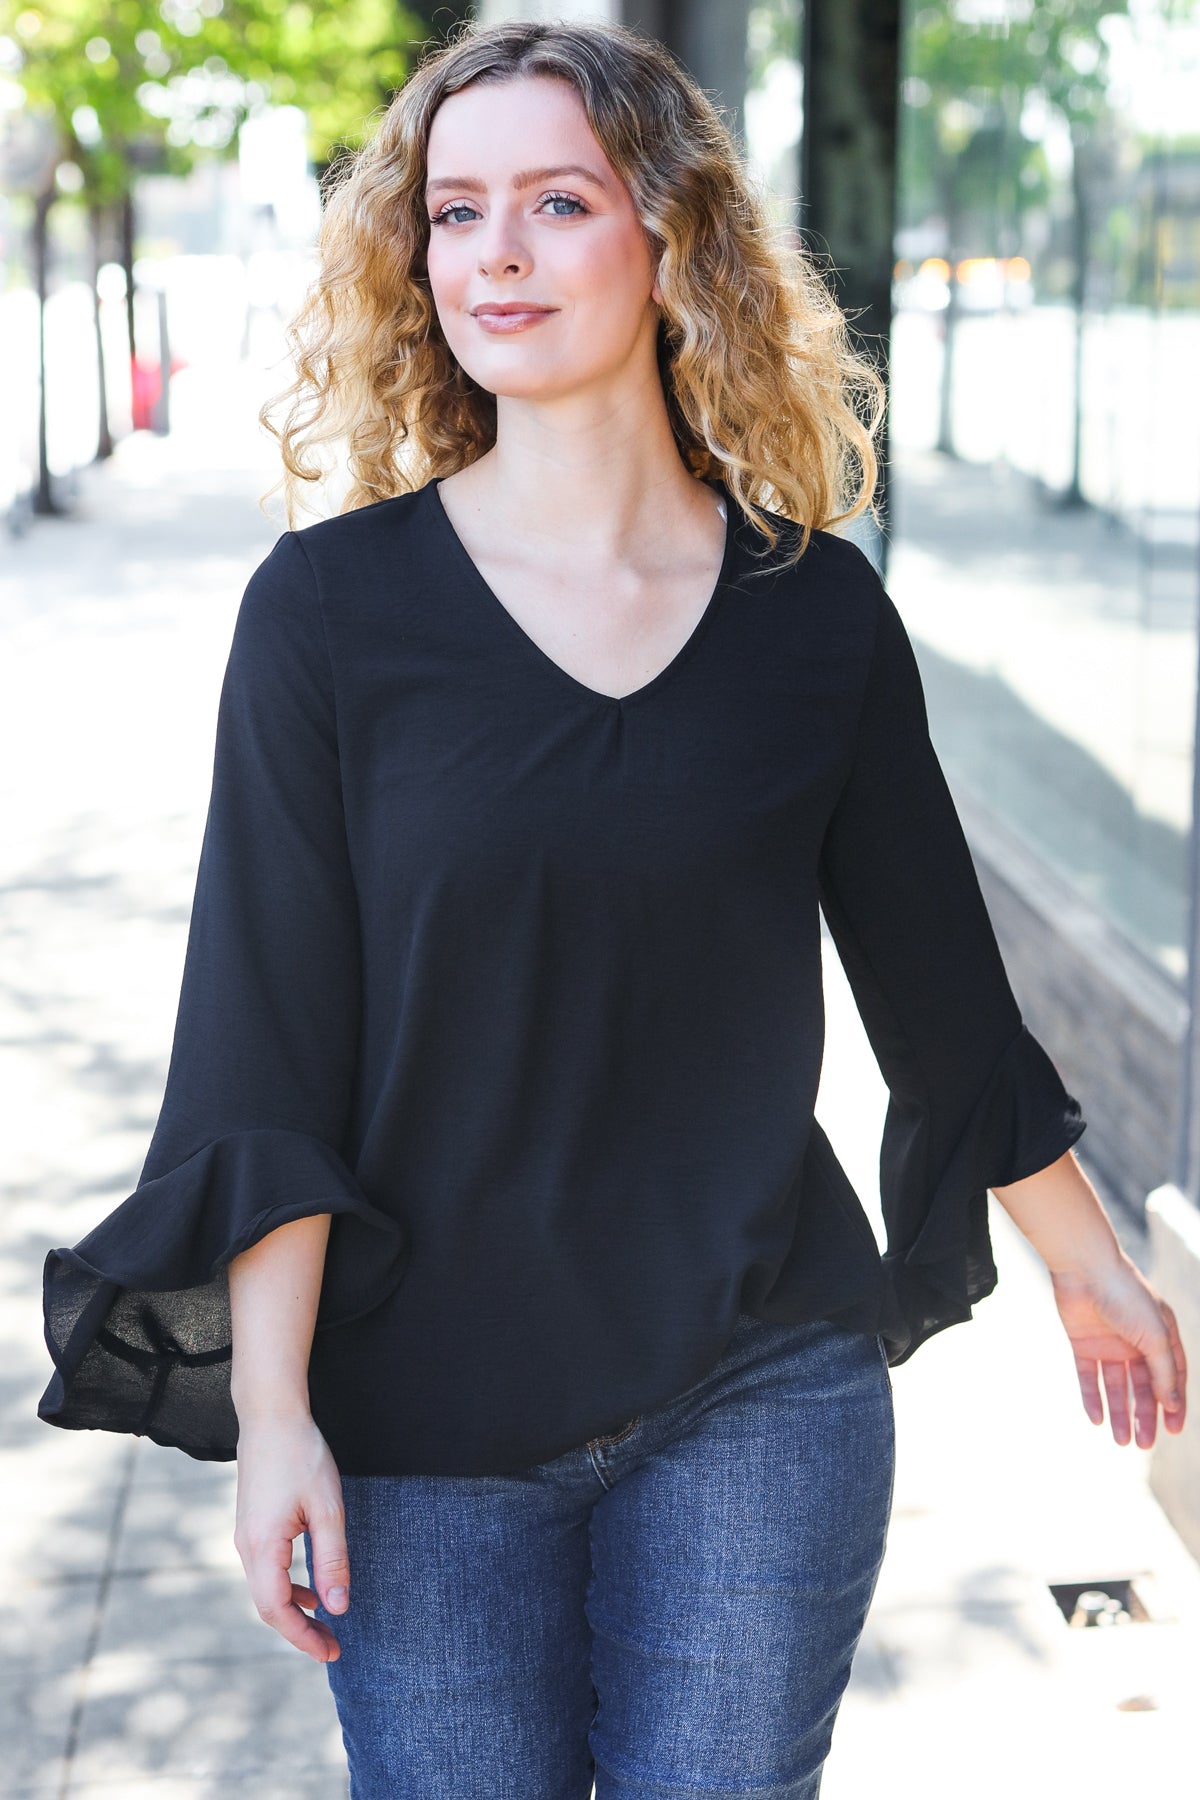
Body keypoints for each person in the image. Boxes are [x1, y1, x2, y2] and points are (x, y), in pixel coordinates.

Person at [39, 17, 1188, 1800]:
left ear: (670, 239)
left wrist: (1095, 1270)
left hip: (759, 1381)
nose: (495, 253)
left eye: (558, 203)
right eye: (456, 211)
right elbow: (263, 1057)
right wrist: (272, 1418)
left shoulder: (816, 617)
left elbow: (945, 1001)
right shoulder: (328, 618)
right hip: (420, 1417)